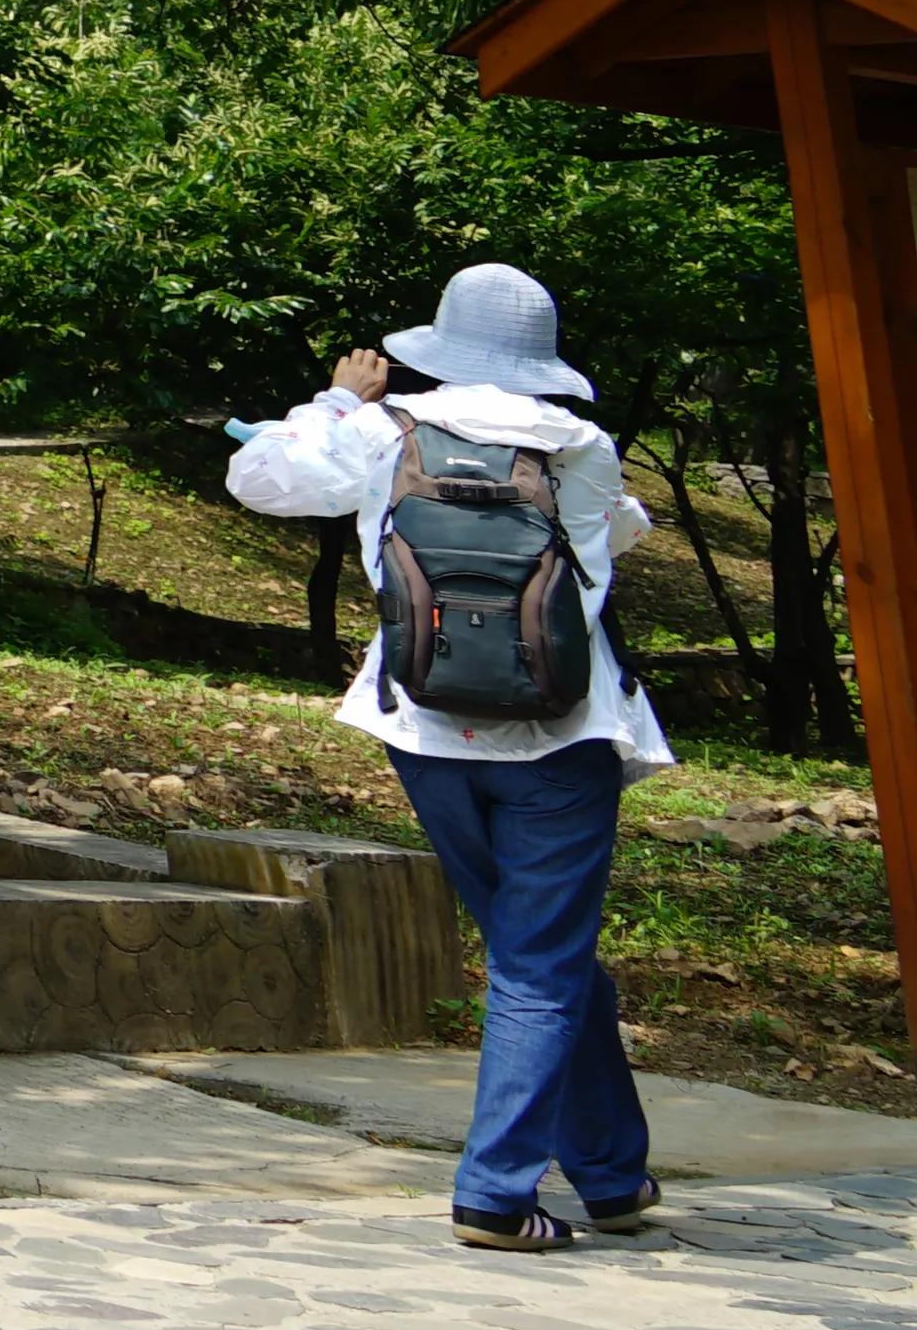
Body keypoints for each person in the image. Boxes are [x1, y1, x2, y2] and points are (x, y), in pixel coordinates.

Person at [223, 260, 673, 1253]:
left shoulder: (389, 434)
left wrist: (338, 401)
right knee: (540, 958)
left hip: (424, 732)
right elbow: (622, 535)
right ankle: (496, 1192)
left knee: (536, 955)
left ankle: (609, 1173)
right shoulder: (582, 446)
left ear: (443, 341)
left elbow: (256, 478)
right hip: (560, 741)